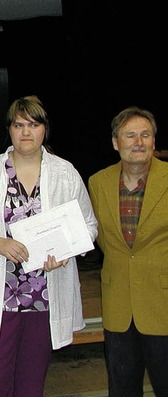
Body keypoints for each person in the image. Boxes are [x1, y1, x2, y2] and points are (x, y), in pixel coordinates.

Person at [0, 95, 98, 396]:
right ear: (9, 130)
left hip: (44, 298)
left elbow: (89, 226)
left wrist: (64, 252)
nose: (26, 132)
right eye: (19, 125)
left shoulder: (65, 173)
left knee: (30, 388)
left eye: (33, 125)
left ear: (45, 129)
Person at [88, 106, 168, 397]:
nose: (138, 142)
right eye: (130, 135)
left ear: (154, 141)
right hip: (118, 306)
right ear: (115, 142)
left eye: (145, 135)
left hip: (163, 304)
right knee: (122, 390)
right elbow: (94, 235)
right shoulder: (97, 183)